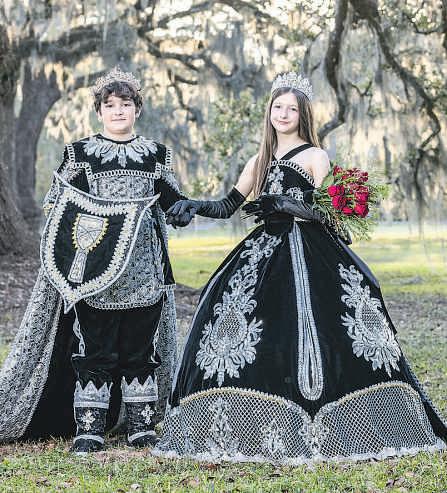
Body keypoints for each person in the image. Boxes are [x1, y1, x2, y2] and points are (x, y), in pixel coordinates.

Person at [153, 72, 447, 464]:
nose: (283, 114)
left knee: (323, 328)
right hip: (264, 252)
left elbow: (330, 214)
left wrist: (287, 205)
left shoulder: (315, 156)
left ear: (302, 114)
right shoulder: (258, 161)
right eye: (278, 107)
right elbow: (227, 206)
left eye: (291, 109)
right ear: (269, 111)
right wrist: (193, 205)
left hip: (311, 250)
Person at [0, 67, 187, 453]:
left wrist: (184, 209)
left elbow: (171, 202)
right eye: (110, 105)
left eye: (126, 104)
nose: (118, 111)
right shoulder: (80, 155)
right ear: (99, 111)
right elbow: (59, 207)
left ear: (137, 109)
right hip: (94, 275)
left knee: (140, 351)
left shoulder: (155, 155)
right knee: (94, 351)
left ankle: (140, 426)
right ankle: (90, 429)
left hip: (145, 273)